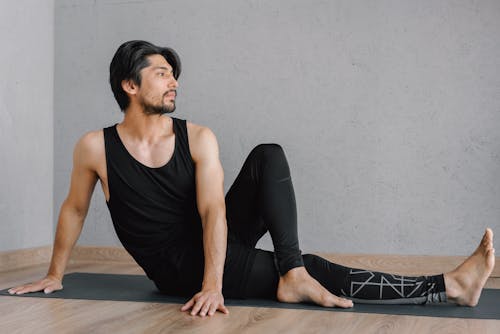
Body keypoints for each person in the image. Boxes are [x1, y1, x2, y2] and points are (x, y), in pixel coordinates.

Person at [9, 40, 496, 317]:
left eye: (173, 73)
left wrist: (214, 282)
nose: (173, 80)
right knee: (315, 268)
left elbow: (213, 210)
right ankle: (449, 287)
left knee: (269, 155)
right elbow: (74, 208)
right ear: (129, 85)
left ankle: (293, 273)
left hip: (210, 245)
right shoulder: (95, 147)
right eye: (160, 73)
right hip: (174, 267)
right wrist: (56, 273)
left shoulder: (197, 137)